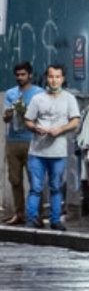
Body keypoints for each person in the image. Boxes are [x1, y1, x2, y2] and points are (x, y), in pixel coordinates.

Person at [22, 65, 80, 231]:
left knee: (56, 187)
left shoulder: (69, 99)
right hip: (37, 151)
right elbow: (28, 120)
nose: (54, 80)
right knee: (36, 188)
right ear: (46, 78)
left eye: (57, 77)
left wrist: (61, 129)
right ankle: (32, 219)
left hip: (58, 151)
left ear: (62, 79)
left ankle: (55, 220)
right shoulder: (37, 99)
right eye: (51, 76)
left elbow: (75, 120)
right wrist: (35, 128)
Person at [3, 62, 43, 225]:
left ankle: (36, 215)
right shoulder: (11, 93)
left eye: (23, 75)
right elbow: (5, 119)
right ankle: (19, 213)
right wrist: (8, 114)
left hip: (32, 141)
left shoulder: (38, 93)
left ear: (30, 75)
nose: (20, 78)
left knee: (34, 179)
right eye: (18, 75)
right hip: (13, 140)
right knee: (15, 180)